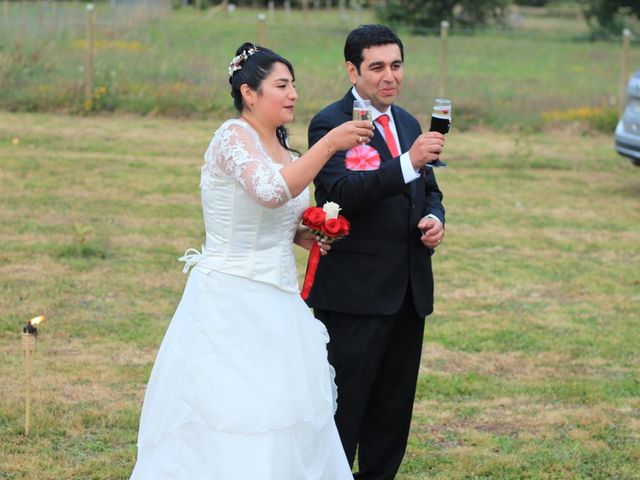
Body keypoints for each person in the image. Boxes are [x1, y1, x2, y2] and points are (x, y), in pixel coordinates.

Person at [130, 42, 374, 479]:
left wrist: (310, 233)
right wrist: (330, 146)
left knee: (284, 406)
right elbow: (268, 191)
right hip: (230, 296)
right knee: (232, 409)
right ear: (249, 93)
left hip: (279, 303)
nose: (293, 94)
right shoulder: (231, 137)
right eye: (281, 85)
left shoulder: (288, 153)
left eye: (294, 85)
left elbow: (282, 218)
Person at [306, 25, 446, 480]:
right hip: (355, 296)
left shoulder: (406, 122)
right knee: (344, 409)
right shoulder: (331, 123)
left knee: (392, 411)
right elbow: (340, 192)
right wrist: (408, 162)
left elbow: (429, 190)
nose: (391, 77)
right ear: (352, 69)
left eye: (397, 65)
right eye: (378, 67)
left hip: (408, 291)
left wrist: (434, 219)